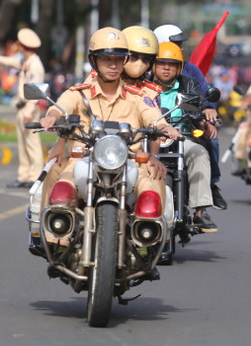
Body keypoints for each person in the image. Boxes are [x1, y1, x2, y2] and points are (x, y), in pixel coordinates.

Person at [37, 27, 181, 215]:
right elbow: (61, 106)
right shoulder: (80, 92)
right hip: (83, 159)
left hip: (129, 161)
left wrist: (163, 126)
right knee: (57, 183)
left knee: (154, 182)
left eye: (118, 59)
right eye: (106, 59)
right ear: (94, 61)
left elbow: (151, 114)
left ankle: (154, 237)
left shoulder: (137, 96)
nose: (113, 65)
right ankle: (48, 234)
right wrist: (51, 117)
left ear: (124, 61)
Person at [153, 24, 227, 211]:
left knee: (208, 142)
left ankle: (205, 197)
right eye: (163, 64)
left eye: (173, 65)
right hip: (152, 136)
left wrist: (207, 112)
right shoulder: (143, 82)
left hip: (183, 131)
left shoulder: (190, 76)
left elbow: (202, 98)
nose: (167, 69)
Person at [0, 28, 46, 188]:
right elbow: (13, 62)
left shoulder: (35, 66)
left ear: (22, 47)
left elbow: (36, 93)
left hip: (29, 108)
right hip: (21, 107)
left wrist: (28, 112)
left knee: (32, 144)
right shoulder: (26, 62)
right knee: (23, 144)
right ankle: (24, 175)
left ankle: (35, 176)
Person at [122, 25, 163, 101]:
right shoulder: (103, 85)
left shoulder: (151, 93)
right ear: (122, 56)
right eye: (133, 57)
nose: (139, 63)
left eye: (146, 59)